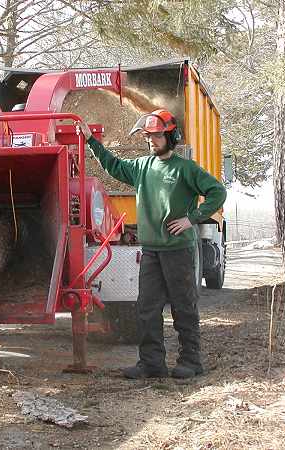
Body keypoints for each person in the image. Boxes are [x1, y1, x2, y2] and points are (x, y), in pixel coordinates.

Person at [76, 109, 227, 379]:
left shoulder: (185, 169)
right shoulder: (142, 167)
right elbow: (113, 165)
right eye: (148, 136)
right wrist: (90, 140)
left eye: (156, 136)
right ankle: (151, 363)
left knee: (183, 308)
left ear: (171, 136)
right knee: (146, 308)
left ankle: (191, 362)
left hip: (178, 251)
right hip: (151, 252)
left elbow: (218, 192)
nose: (151, 141)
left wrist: (191, 219)